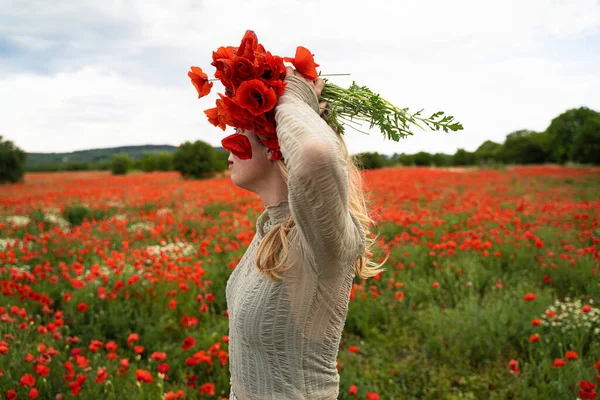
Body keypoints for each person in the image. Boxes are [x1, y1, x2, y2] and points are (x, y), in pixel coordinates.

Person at [225, 66, 385, 399]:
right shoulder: (271, 227)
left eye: (242, 128)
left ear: (276, 144)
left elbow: (315, 156)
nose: (227, 145)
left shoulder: (320, 239)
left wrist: (290, 96)